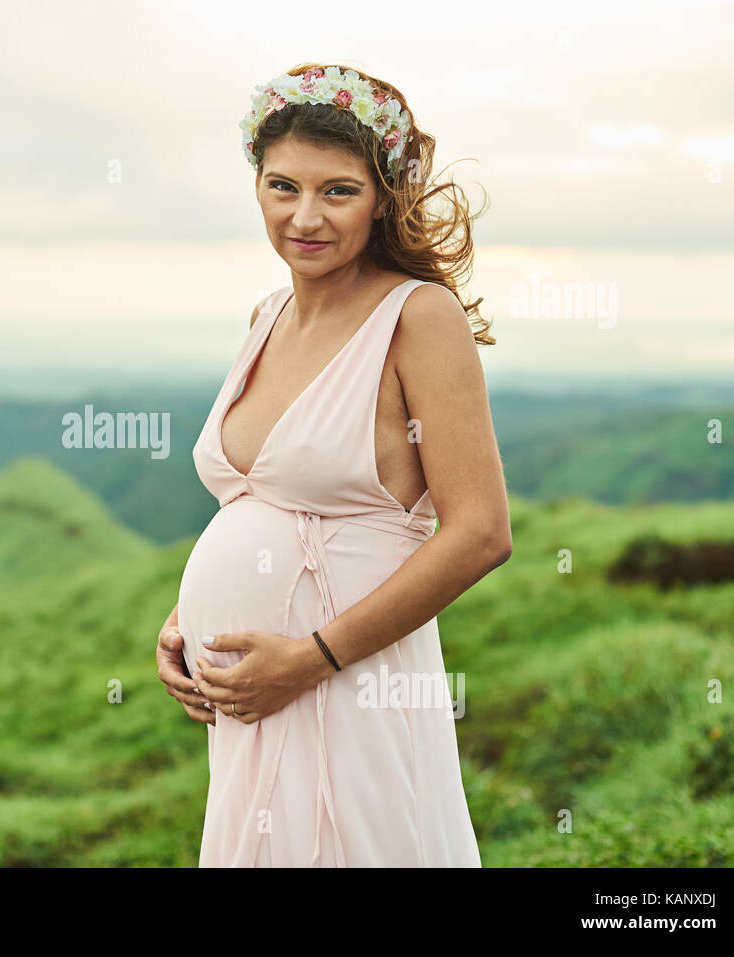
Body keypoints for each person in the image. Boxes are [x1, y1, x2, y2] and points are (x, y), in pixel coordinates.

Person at [155, 63, 511, 867]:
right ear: (256, 186)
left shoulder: (418, 316)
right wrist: (187, 627)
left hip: (347, 680)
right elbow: (261, 508)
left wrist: (309, 658)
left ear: (382, 195)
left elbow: (482, 532)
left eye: (338, 192)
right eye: (282, 186)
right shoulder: (268, 313)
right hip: (256, 698)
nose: (304, 217)